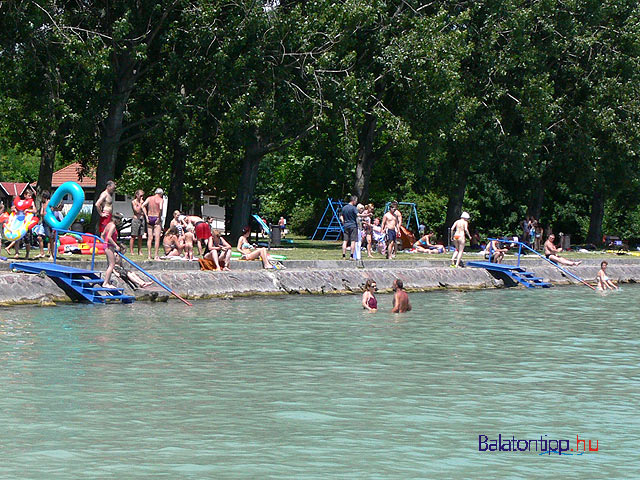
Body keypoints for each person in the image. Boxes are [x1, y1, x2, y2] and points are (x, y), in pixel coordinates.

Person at [100, 212, 123, 289]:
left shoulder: (108, 224)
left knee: (109, 264)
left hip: (107, 246)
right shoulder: (112, 226)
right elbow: (109, 237)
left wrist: (104, 242)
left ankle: (108, 281)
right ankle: (105, 283)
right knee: (112, 264)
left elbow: (102, 235)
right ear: (117, 220)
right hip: (109, 247)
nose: (120, 222)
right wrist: (116, 245)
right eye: (120, 220)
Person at [142, 188, 164, 260]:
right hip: (156, 217)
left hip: (149, 217)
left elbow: (143, 206)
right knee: (157, 238)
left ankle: (149, 255)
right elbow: (160, 208)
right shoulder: (160, 200)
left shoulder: (149, 198)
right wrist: (159, 217)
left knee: (150, 238)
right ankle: (156, 255)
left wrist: (146, 216)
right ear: (160, 194)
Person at [340, 195, 358, 260]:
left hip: (346, 225)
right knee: (353, 241)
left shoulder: (344, 208)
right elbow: (358, 215)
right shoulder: (353, 208)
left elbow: (341, 216)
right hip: (353, 225)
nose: (356, 202)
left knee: (345, 241)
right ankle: (351, 256)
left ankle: (344, 255)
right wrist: (366, 215)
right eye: (356, 201)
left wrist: (343, 222)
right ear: (353, 201)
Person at [34, 190, 51, 258]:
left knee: (50, 238)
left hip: (48, 222)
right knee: (39, 237)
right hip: (43, 222)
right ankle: (42, 253)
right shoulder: (43, 203)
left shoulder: (50, 202)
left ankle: (50, 252)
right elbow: (41, 213)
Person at [130, 189, 145, 256]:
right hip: (136, 220)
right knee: (133, 236)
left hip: (142, 219)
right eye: (141, 196)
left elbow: (144, 211)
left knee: (140, 236)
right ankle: (131, 251)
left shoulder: (143, 202)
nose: (142, 197)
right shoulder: (134, 202)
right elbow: (137, 211)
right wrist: (141, 204)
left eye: (143, 196)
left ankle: (140, 250)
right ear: (137, 195)